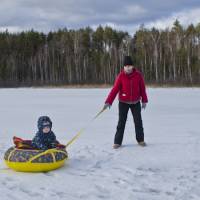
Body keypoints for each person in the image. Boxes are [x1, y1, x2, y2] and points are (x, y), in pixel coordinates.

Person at [103, 56, 148, 149]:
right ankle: (117, 142)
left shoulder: (138, 75)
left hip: (136, 103)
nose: (128, 68)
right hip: (123, 102)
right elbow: (115, 90)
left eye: (129, 66)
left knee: (138, 122)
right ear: (123, 67)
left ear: (132, 66)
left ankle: (140, 140)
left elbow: (142, 89)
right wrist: (108, 101)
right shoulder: (121, 76)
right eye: (126, 66)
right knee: (121, 122)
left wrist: (144, 100)